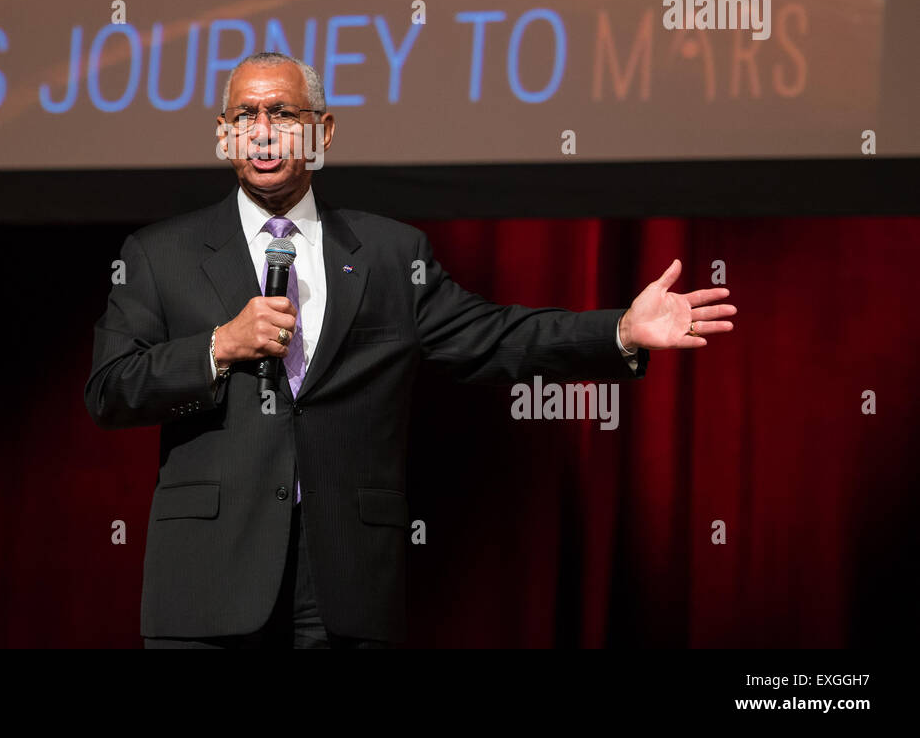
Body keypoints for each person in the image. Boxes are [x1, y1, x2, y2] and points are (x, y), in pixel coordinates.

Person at [86, 51, 736, 648]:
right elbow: (110, 389)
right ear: (224, 132)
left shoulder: (393, 256)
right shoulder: (159, 255)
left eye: (281, 112)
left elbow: (496, 336)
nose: (262, 129)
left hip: (342, 583)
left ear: (323, 130)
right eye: (244, 115)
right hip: (207, 582)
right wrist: (218, 346)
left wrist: (618, 329)